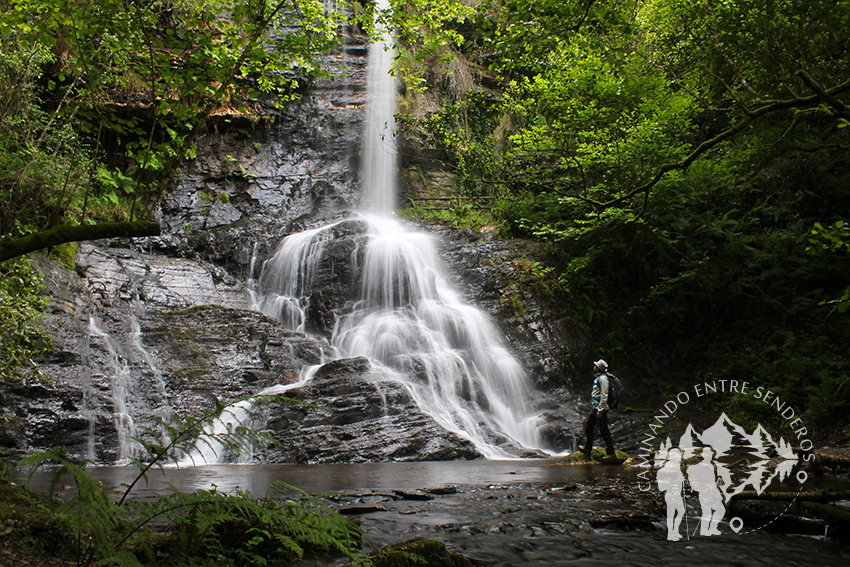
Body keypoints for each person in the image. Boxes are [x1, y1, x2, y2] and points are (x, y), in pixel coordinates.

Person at [578, 359, 617, 458]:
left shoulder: (603, 379)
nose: (594, 367)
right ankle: (588, 448)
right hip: (596, 407)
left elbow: (604, 395)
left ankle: (611, 453)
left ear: (598, 368)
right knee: (589, 426)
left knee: (604, 430)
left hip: (600, 408)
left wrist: (601, 410)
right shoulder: (599, 378)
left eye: (595, 366)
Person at [657, 448, 686, 541]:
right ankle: (671, 533)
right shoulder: (667, 468)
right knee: (673, 513)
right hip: (671, 494)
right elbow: (661, 486)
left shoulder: (676, 467)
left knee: (679, 512)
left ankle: (673, 532)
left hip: (676, 494)